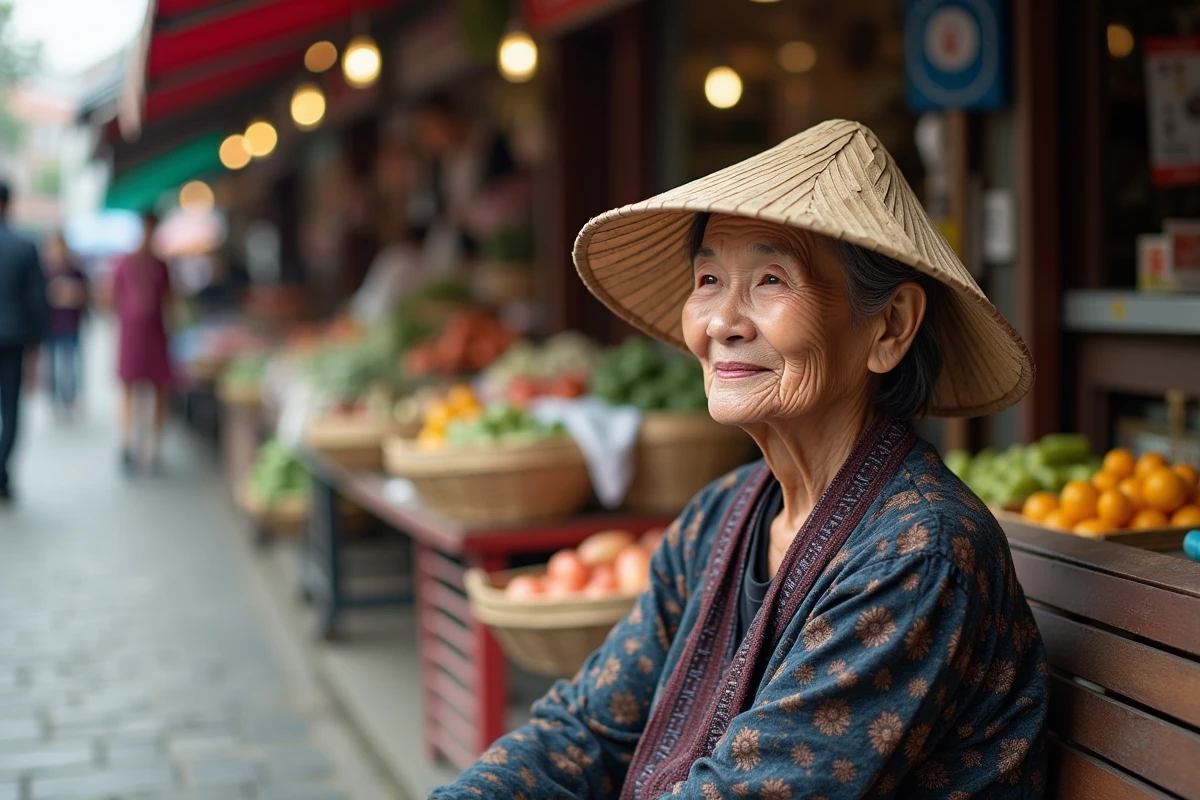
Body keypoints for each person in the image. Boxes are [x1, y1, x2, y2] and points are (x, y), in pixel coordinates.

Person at [435, 120, 1048, 798]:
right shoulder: (722, 515)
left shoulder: (918, 555)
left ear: (891, 326)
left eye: (770, 279)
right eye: (708, 278)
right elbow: (587, 731)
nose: (721, 321)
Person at [110, 213, 173, 473]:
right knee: (128, 389)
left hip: (155, 333)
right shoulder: (125, 263)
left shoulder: (160, 265)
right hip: (132, 334)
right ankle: (127, 443)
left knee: (158, 388)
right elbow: (111, 296)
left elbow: (170, 299)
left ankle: (152, 446)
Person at [0, 182, 47, 503]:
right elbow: (37, 302)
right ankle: (1, 471)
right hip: (14, 340)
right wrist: (37, 346)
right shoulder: (23, 246)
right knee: (11, 409)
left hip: (14, 337)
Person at [42, 230, 89, 416]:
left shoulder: (75, 270)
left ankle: (70, 397)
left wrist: (71, 293)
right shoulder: (46, 270)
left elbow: (87, 294)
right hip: (50, 324)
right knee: (52, 365)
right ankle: (55, 399)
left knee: (70, 364)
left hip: (71, 323)